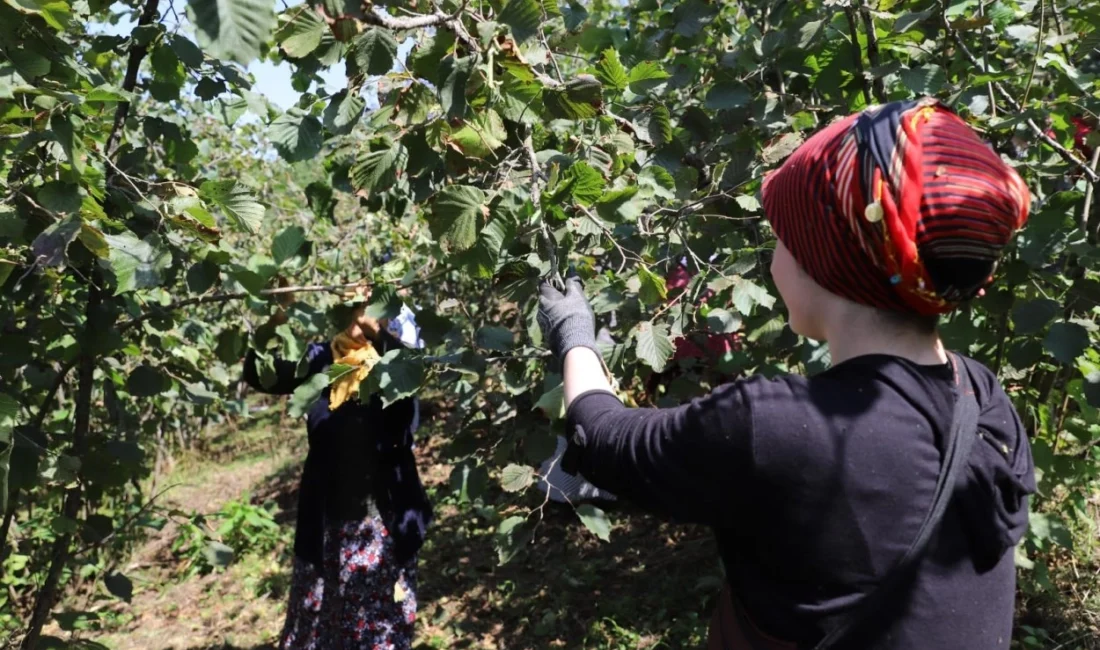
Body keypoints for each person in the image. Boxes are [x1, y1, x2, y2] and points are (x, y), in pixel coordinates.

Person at [535, 98, 1035, 649]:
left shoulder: (777, 429)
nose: (776, 251)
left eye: (784, 234)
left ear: (823, 260)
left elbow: (605, 440)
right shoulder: (985, 400)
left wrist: (574, 335)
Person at [242, 296, 432, 650]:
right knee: (319, 626)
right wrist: (273, 323)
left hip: (381, 528)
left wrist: (378, 335)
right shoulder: (322, 359)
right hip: (325, 525)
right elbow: (259, 374)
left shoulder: (395, 366)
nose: (357, 320)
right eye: (352, 312)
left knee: (375, 631)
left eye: (368, 313)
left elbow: (404, 414)